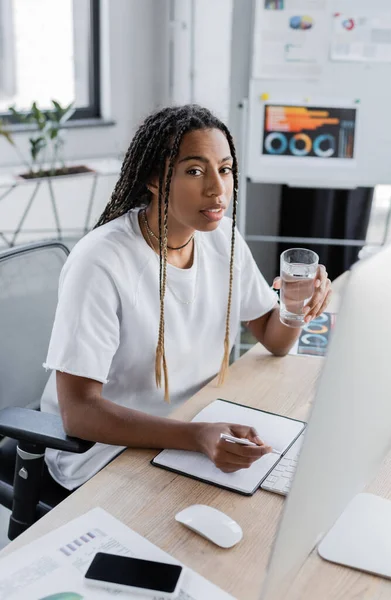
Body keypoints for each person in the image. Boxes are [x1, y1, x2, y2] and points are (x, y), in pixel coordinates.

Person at [42, 105, 331, 490]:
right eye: (195, 171)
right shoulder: (100, 262)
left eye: (225, 169)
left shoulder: (221, 237)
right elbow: (78, 413)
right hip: (107, 452)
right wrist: (196, 437)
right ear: (154, 178)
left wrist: (295, 305)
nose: (217, 188)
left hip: (197, 423)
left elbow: (274, 338)